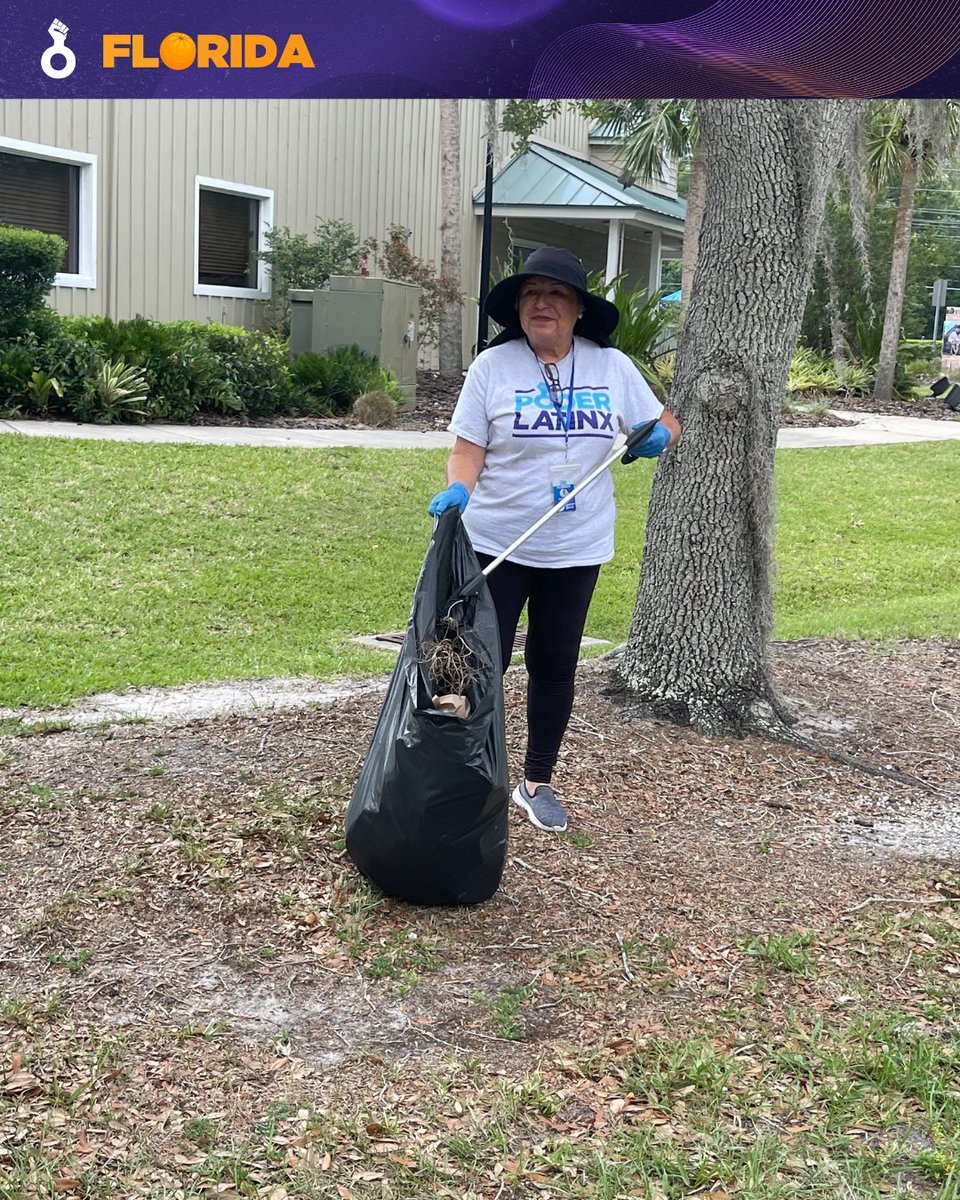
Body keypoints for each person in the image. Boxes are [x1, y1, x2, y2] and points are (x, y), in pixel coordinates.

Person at [428, 247, 681, 833]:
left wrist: (657, 438)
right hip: (498, 542)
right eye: (530, 293)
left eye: (556, 293)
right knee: (475, 662)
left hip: (576, 546)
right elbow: (467, 449)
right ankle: (464, 774)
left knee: (554, 663)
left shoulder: (611, 366)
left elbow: (666, 421)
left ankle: (536, 781)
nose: (540, 303)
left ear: (578, 309)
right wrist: (459, 489)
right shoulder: (492, 368)